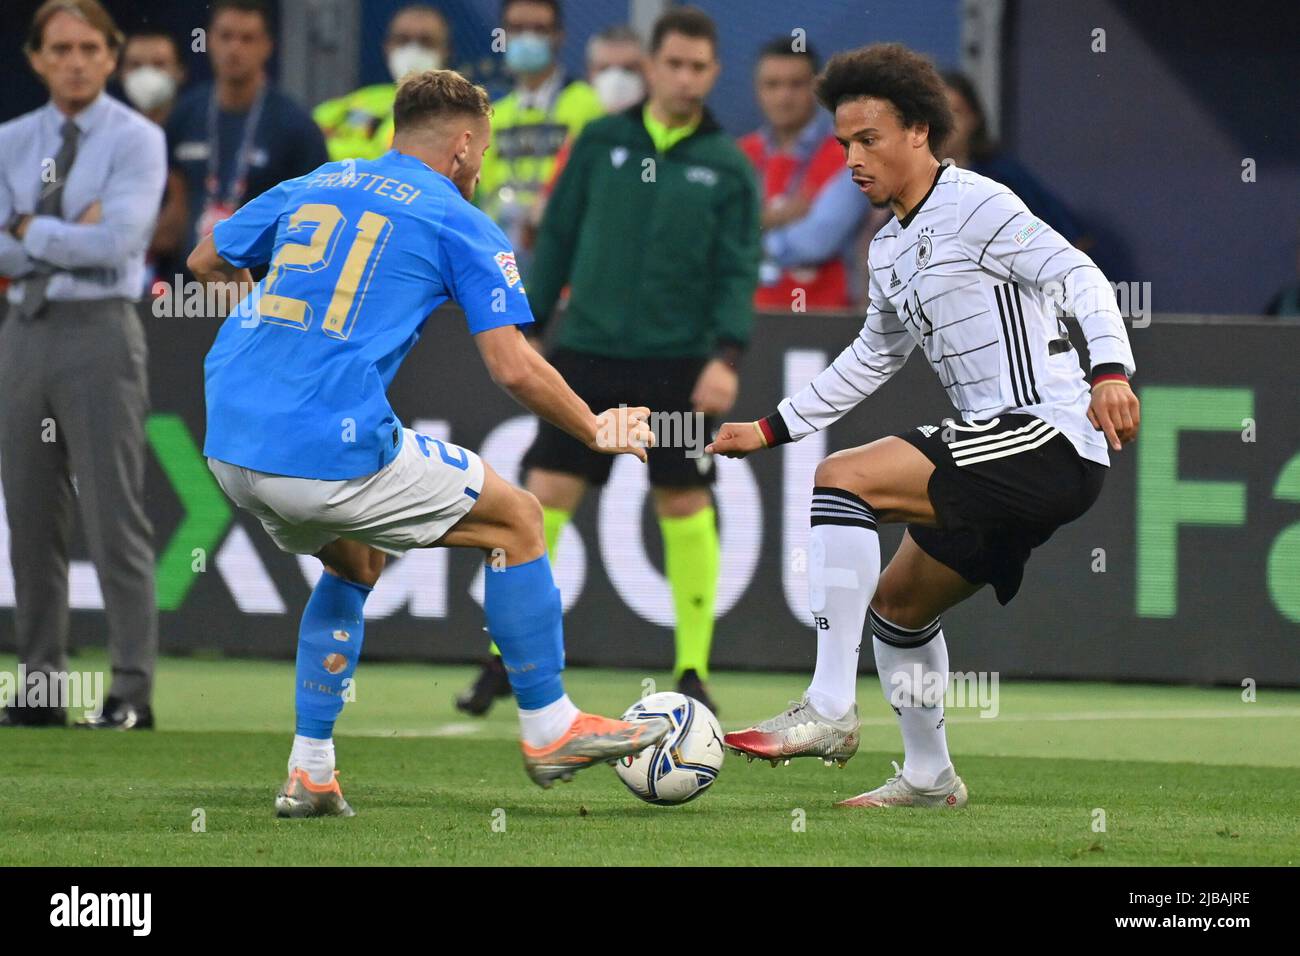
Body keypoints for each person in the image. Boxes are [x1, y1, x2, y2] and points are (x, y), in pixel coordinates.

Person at [186, 69, 670, 817]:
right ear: (464, 146)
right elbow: (512, 365)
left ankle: (310, 770)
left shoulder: (319, 181)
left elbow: (204, 261)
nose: (480, 169)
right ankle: (548, 725)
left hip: (229, 441)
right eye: (482, 154)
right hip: (320, 445)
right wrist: (595, 425)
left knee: (354, 559)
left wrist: (279, 326)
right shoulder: (458, 218)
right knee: (518, 520)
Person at [710, 44, 1140, 808]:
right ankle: (928, 775)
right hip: (998, 451)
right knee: (897, 611)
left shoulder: (978, 202)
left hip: (1047, 433)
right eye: (842, 143)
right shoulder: (888, 248)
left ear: (918, 131)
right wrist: (772, 428)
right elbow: (871, 357)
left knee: (844, 479)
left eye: (867, 139)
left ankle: (831, 707)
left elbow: (1076, 273)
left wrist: (1110, 369)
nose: (851, 160)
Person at [456, 6, 760, 718]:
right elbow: (555, 234)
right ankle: (506, 658)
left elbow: (738, 267)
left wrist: (728, 353)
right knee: (540, 500)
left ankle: (691, 667)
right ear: (651, 66)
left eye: (698, 66)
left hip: (678, 365)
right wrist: (523, 322)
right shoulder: (598, 141)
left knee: (683, 501)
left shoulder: (729, 166)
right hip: (584, 353)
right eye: (673, 63)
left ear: (713, 73)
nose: (684, 77)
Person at [0, 0, 166, 730]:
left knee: (112, 514)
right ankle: (40, 689)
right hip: (24, 328)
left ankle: (130, 691)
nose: (74, 60)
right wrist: (70, 229)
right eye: (60, 48)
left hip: (101, 330)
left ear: (111, 56)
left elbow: (121, 243)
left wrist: (28, 224)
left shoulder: (137, 139)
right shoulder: (9, 139)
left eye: (89, 47)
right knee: (29, 518)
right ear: (36, 58)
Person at [161, 0, 328, 262]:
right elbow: (172, 206)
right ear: (209, 41)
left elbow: (313, 217)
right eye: (225, 36)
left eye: (247, 39)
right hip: (187, 285)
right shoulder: (185, 114)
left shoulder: (296, 127)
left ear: (267, 46)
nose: (234, 48)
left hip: (260, 286)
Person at [740, 37, 871, 312]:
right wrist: (774, 218)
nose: (783, 96)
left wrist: (745, 237)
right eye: (772, 85)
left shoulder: (848, 154)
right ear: (757, 90)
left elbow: (816, 241)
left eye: (796, 84)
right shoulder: (741, 155)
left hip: (826, 320)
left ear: (817, 88)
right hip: (751, 318)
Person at [475, 0, 602, 256]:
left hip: (564, 251)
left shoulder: (590, 105)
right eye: (517, 28)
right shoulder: (493, 114)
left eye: (539, 29)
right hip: (501, 252)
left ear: (559, 36)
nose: (527, 37)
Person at [942, 71, 1089, 250]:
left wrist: (1018, 250)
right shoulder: (914, 181)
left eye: (956, 112)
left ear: (974, 118)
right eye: (939, 113)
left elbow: (1068, 236)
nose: (946, 123)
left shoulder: (1002, 175)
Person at [313, 4, 452, 161]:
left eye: (425, 42)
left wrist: (336, 144)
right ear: (388, 46)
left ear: (445, 50)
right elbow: (309, 138)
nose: (413, 50)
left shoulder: (463, 108)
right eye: (402, 40)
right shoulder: (366, 97)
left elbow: (395, 160)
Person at [118, 28, 186, 126]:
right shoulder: (107, 129)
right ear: (120, 73)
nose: (147, 73)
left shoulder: (197, 126)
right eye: (135, 65)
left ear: (180, 72)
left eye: (159, 64)